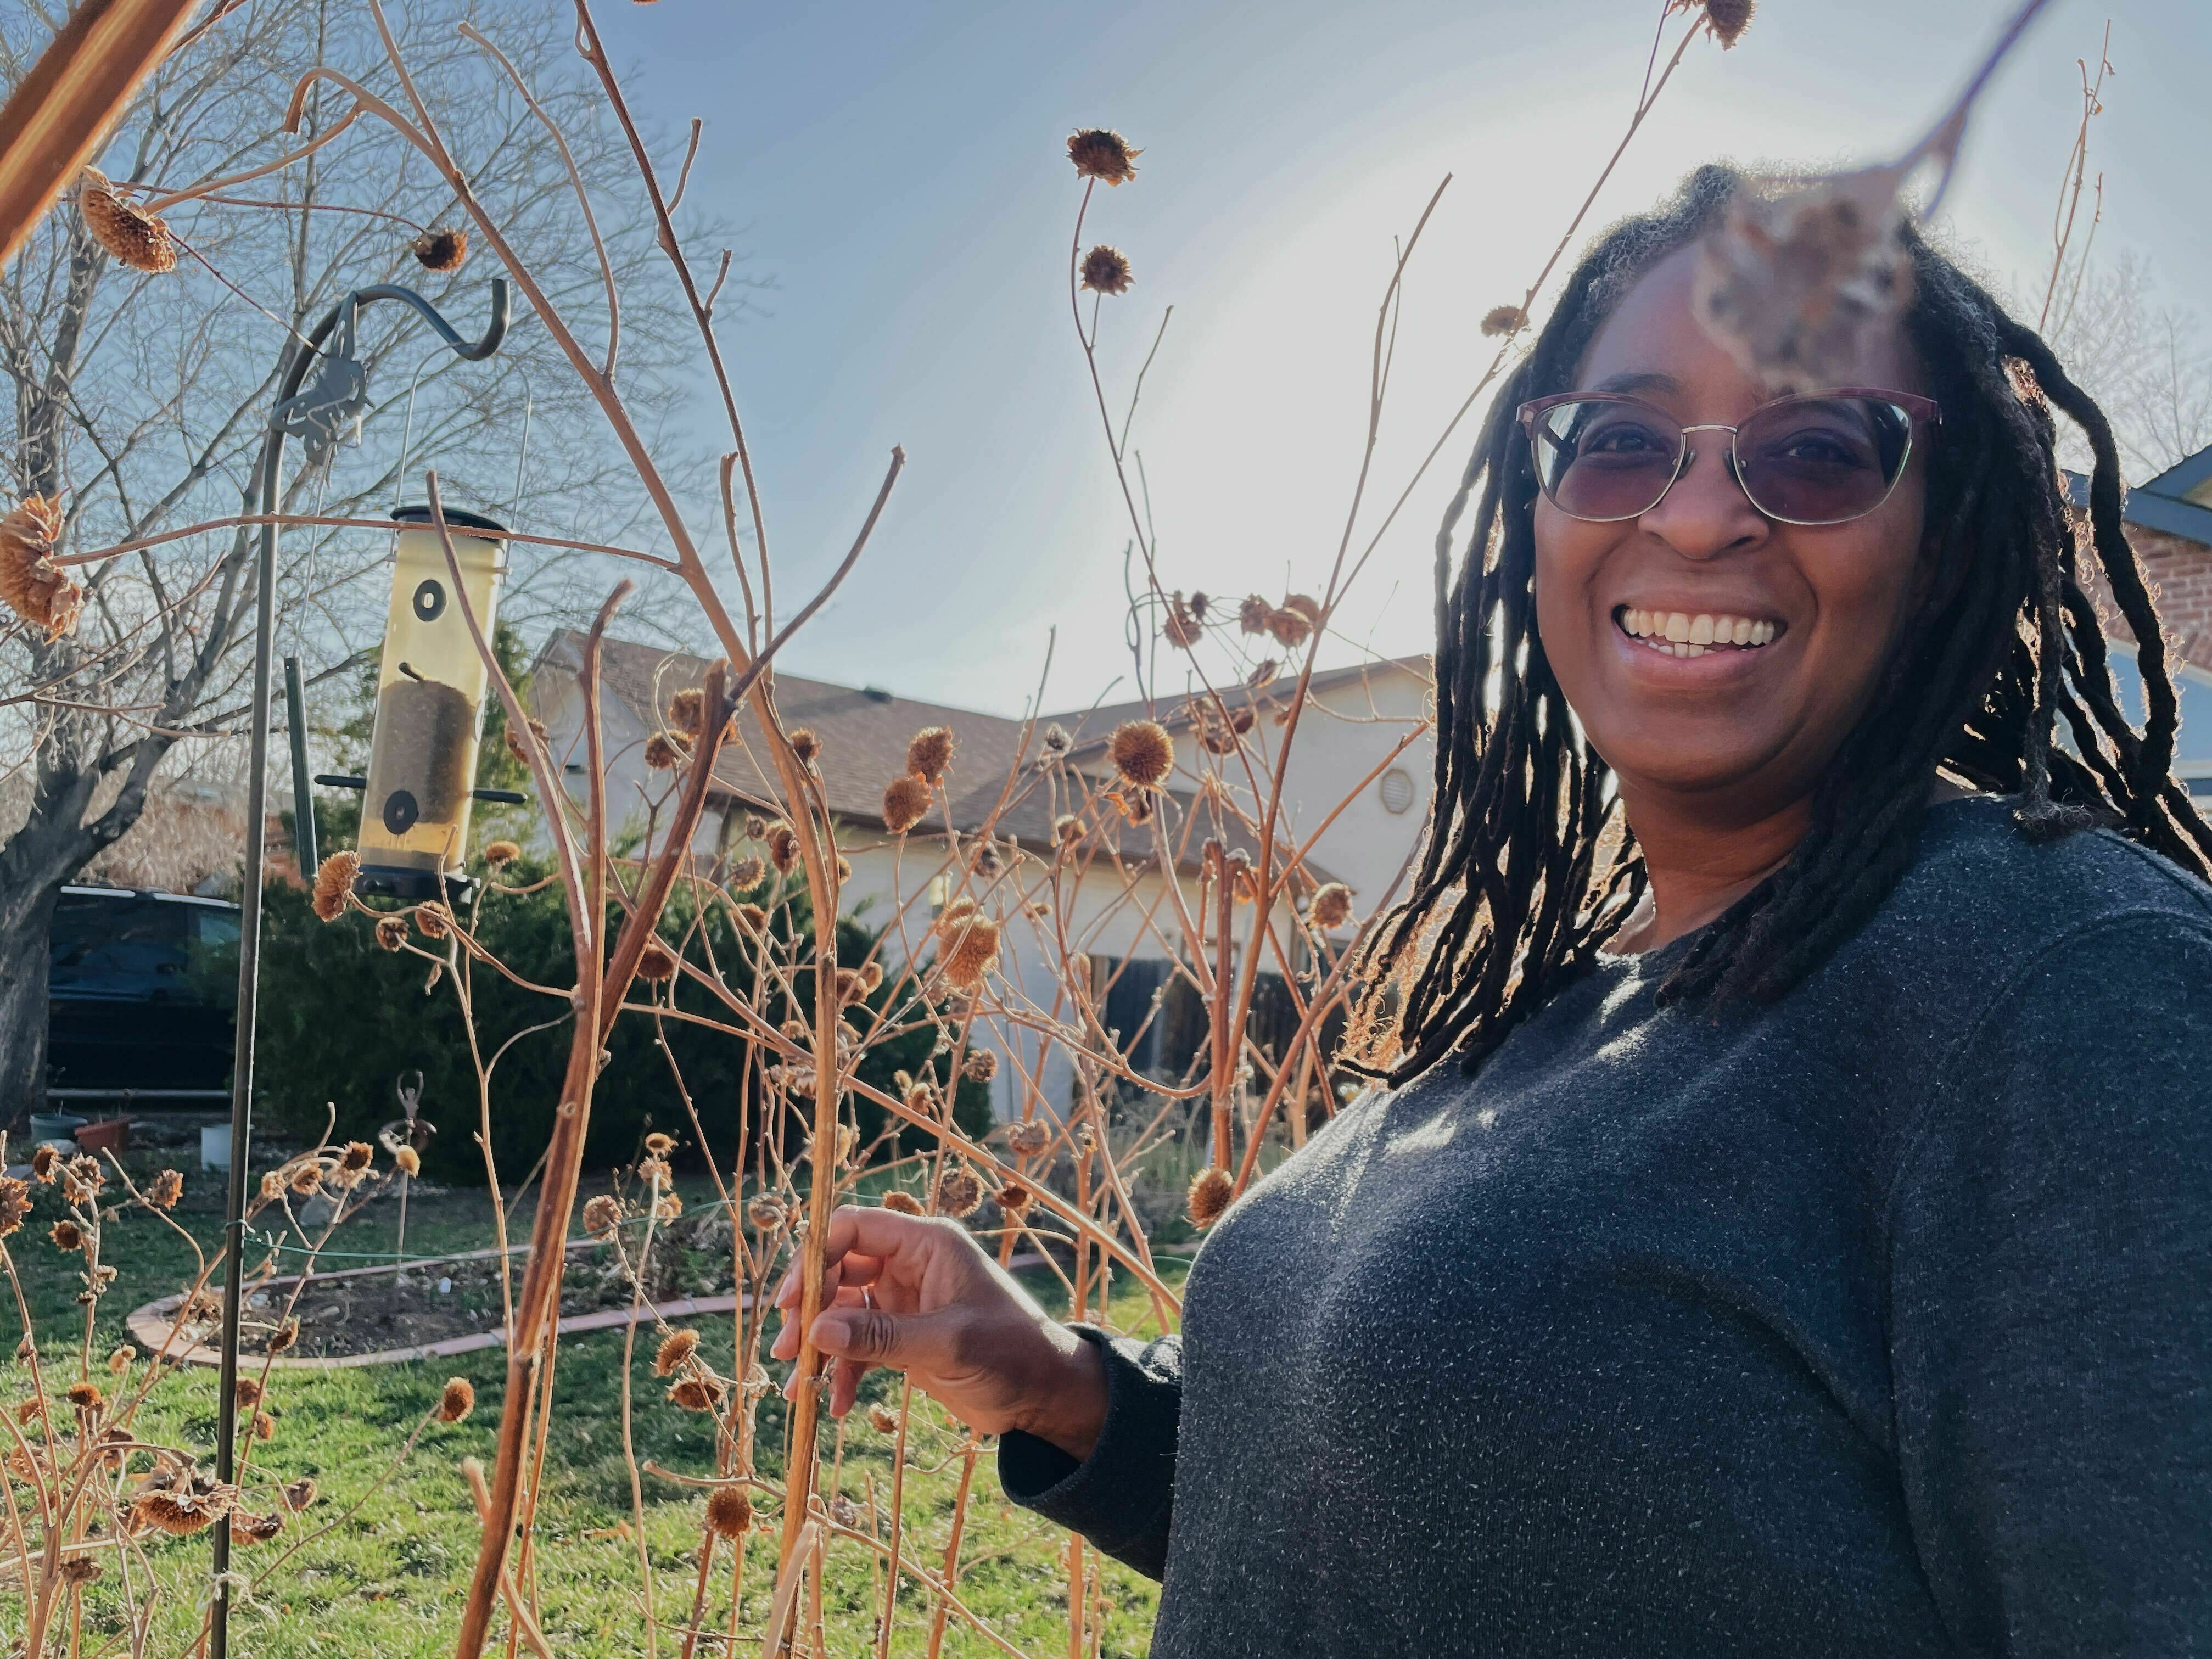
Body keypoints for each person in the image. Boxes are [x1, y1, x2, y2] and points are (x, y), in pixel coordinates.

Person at [772, 166, 2212, 1655]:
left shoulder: (2066, 993)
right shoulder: (1561, 999)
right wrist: (1064, 1387)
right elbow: (1424, 1537)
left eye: (1818, 450)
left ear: (1952, 544)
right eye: (1623, 443)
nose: (1703, 513)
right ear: (1539, 522)